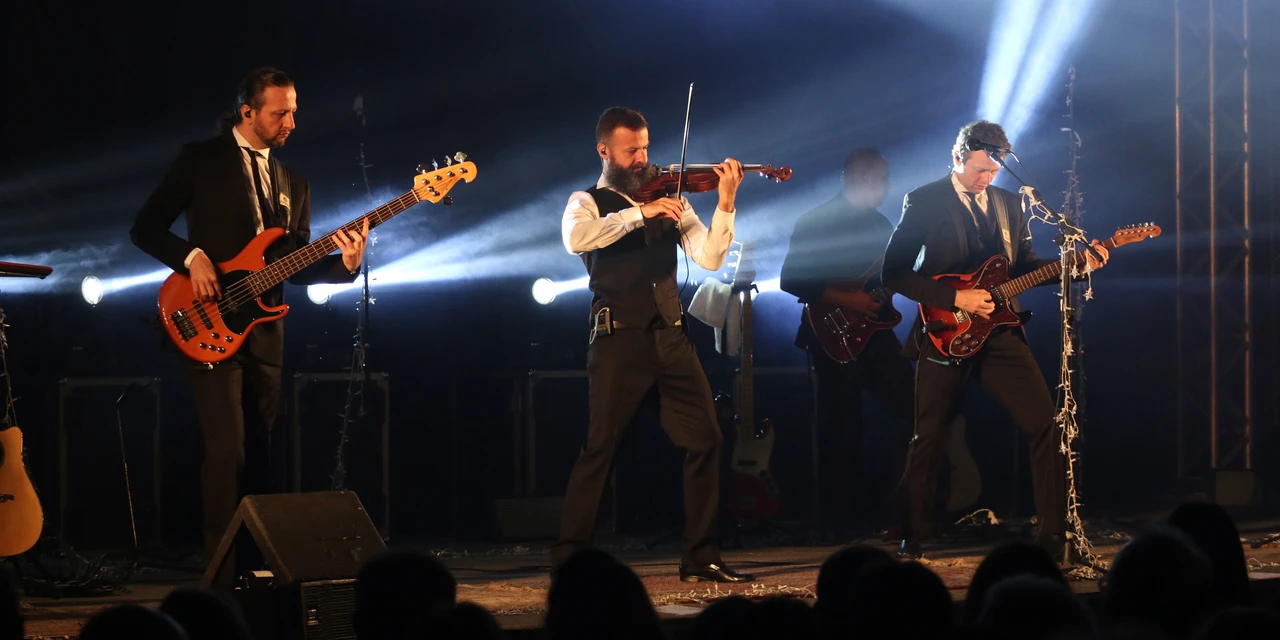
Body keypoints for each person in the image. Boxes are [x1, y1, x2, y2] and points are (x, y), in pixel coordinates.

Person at [131, 67, 367, 561]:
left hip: (264, 332)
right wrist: (192, 258)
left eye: (294, 112)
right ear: (247, 112)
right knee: (228, 451)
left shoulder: (294, 183)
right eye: (280, 113)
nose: (291, 123)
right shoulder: (201, 160)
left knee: (260, 451)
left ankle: (260, 566)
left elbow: (294, 267)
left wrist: (345, 265)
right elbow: (146, 228)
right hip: (206, 319)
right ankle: (221, 569)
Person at [881, 120, 1108, 561]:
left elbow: (1023, 266)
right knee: (929, 435)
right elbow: (894, 273)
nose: (986, 178)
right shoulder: (923, 200)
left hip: (999, 331)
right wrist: (955, 297)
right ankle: (913, 533)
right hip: (944, 331)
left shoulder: (1010, 204)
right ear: (957, 157)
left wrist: (1077, 265)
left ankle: (1053, 535)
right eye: (979, 169)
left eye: (993, 171)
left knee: (1045, 424)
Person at [553, 106, 753, 583]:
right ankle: (569, 561)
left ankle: (699, 555)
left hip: (670, 338)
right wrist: (638, 213)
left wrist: (725, 202)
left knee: (707, 439)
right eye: (632, 151)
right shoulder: (586, 201)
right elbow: (576, 239)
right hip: (619, 340)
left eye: (645, 147)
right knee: (600, 449)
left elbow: (708, 257)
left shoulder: (672, 199)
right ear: (605, 151)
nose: (643, 158)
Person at [779, 149, 914, 534]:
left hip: (874, 333)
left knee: (916, 408)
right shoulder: (817, 221)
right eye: (884, 179)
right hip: (830, 334)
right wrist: (849, 299)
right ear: (866, 178)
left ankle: (902, 510)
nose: (888, 187)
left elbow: (890, 278)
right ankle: (839, 520)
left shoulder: (881, 224)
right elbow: (791, 280)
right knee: (840, 427)